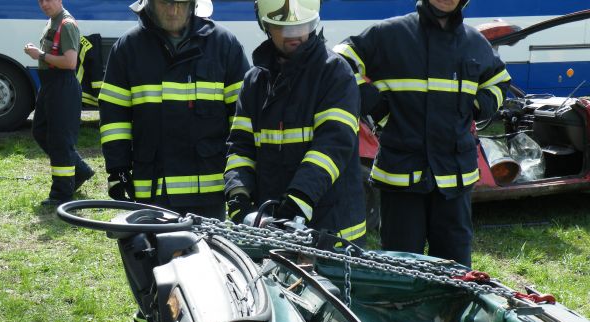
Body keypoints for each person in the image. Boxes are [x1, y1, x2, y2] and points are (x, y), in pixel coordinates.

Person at [334, 0, 510, 267]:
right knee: (401, 270)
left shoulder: (474, 42)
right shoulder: (390, 34)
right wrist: (373, 103)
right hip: (401, 178)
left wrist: (477, 106)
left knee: (455, 274)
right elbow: (340, 61)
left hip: (454, 181)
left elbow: (499, 81)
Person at [224, 0, 367, 247]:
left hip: (332, 233)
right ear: (266, 26)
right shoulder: (255, 82)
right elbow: (240, 148)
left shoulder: (334, 73)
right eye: (285, 28)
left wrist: (297, 201)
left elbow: (332, 146)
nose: (296, 35)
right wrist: (238, 195)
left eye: (303, 26)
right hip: (273, 230)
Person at [98, 0, 249, 222]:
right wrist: (117, 168)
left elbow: (242, 119)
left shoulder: (224, 45)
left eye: (180, 3)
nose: (173, 10)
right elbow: (114, 115)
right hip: (153, 189)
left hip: (207, 192)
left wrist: (240, 179)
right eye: (165, 3)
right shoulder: (128, 48)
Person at [24, 0, 94, 207]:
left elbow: (70, 62)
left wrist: (40, 54)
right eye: (40, 1)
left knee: (60, 141)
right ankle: (80, 170)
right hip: (50, 85)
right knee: (41, 131)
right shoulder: (52, 21)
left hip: (62, 85)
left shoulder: (67, 24)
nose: (44, 4)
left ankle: (61, 193)